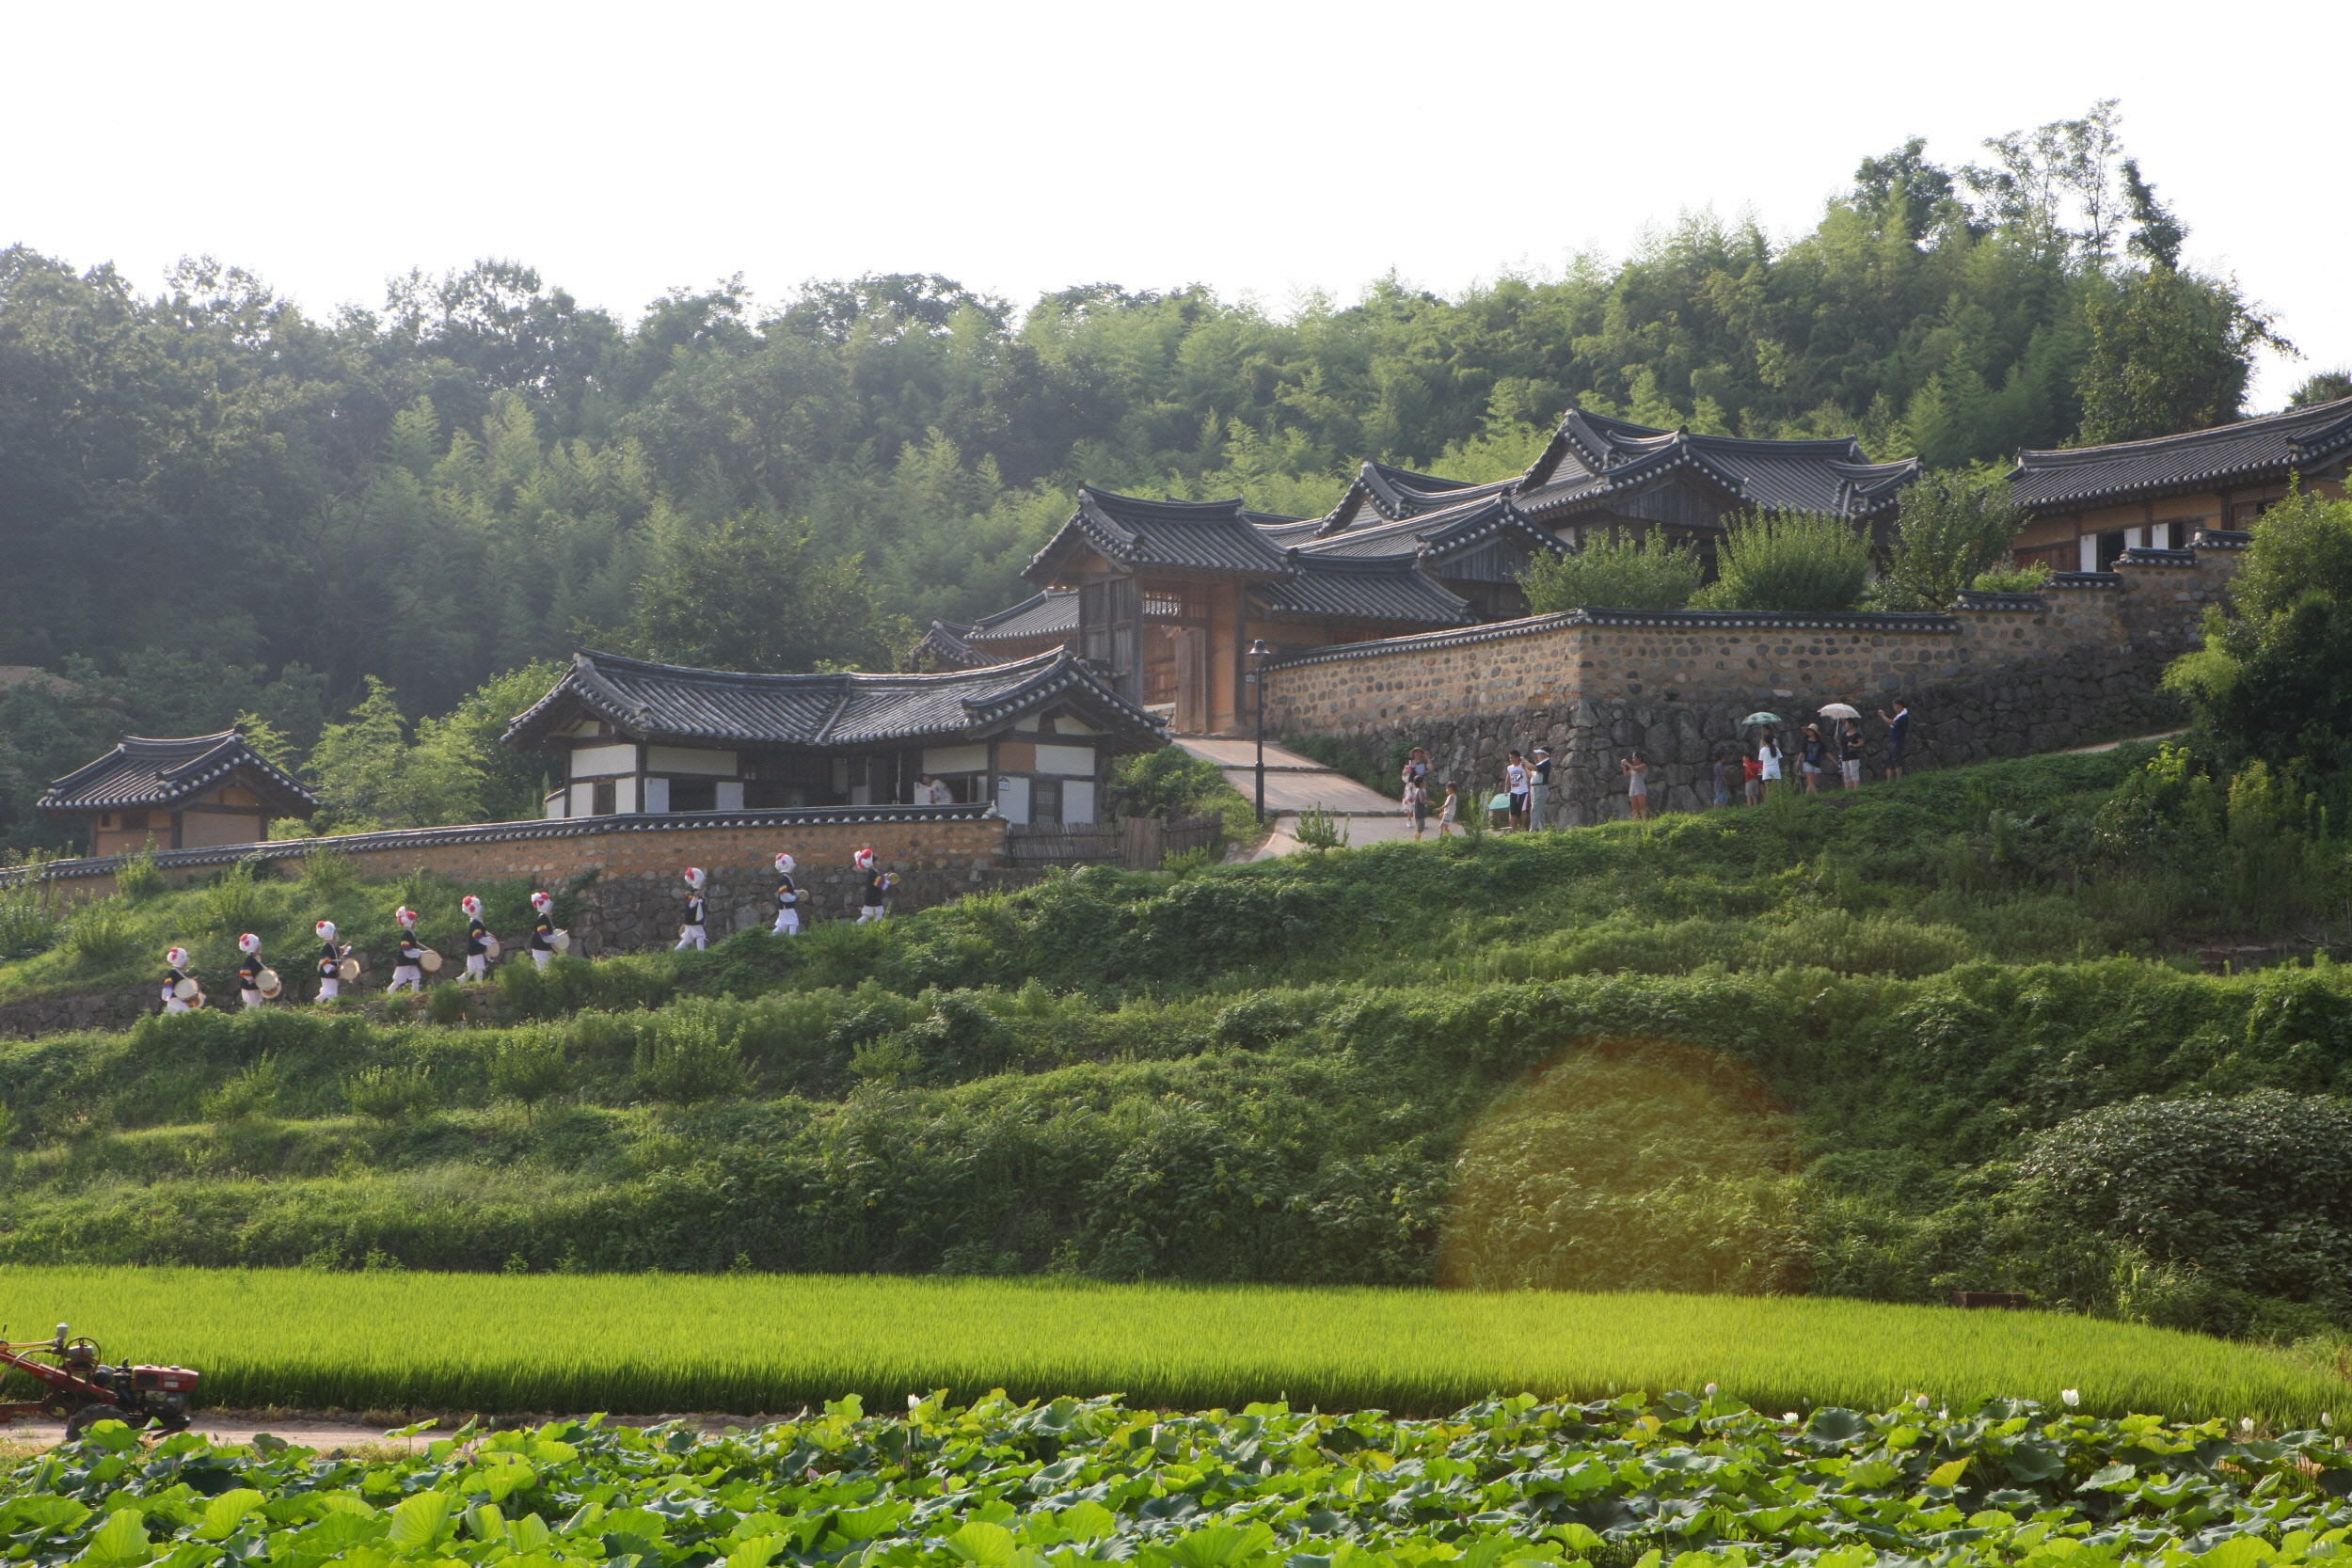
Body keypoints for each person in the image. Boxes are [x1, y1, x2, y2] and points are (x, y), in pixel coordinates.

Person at [388, 907, 425, 993]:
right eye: (414, 921)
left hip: (411, 961)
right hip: (405, 960)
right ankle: (390, 992)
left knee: (416, 976)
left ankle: (415, 993)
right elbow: (406, 949)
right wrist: (419, 952)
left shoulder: (411, 933)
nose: (415, 923)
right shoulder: (407, 935)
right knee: (399, 979)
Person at [854, 848, 894, 923]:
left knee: (868, 915)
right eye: (877, 861)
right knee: (878, 914)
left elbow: (879, 879)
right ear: (873, 863)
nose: (878, 863)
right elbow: (878, 882)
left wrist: (886, 877)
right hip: (873, 898)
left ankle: (856, 926)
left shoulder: (873, 872)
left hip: (871, 898)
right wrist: (888, 881)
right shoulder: (872, 873)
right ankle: (875, 928)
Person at [314, 920, 349, 1002]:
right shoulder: (327, 947)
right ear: (332, 935)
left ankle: (319, 1000)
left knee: (328, 989)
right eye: (335, 933)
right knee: (331, 990)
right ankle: (332, 1003)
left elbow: (339, 951)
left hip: (329, 972)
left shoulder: (333, 946)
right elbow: (326, 959)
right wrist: (332, 967)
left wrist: (346, 946)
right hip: (328, 971)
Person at [461, 895, 492, 981]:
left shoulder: (477, 922)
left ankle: (462, 979)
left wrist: (488, 935)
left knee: (472, 969)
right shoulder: (475, 923)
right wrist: (488, 941)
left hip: (474, 949)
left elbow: (481, 932)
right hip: (476, 949)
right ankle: (479, 983)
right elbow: (478, 936)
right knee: (480, 968)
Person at [676, 867, 708, 952]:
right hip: (694, 920)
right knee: (700, 936)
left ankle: (677, 951)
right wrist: (695, 896)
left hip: (691, 920)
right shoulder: (694, 895)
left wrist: (696, 895)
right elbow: (692, 905)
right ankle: (701, 955)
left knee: (687, 938)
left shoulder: (695, 894)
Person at [1879, 699, 1911, 781]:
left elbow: (1892, 723)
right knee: (1889, 762)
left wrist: (1883, 716)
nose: (1894, 709)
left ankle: (1898, 780)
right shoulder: (1898, 716)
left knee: (1897, 761)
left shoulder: (1904, 716)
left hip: (1897, 741)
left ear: (1900, 705)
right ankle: (1889, 781)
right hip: (1892, 741)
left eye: (1895, 707)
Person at [235, 932, 268, 1009]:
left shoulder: (256, 958)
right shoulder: (250, 959)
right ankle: (249, 1018)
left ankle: (254, 1018)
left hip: (255, 986)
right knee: (252, 1004)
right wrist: (251, 979)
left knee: (256, 1003)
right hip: (249, 986)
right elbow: (244, 972)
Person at [161, 945, 198, 1015]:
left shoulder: (180, 973)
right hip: (175, 1001)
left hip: (182, 1001)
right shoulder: (172, 972)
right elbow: (168, 986)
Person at [772, 852, 802, 935]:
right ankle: (793, 940)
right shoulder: (784, 879)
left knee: (782, 925)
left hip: (784, 905)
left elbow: (788, 891)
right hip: (786, 905)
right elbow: (783, 892)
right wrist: (793, 898)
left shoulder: (786, 878)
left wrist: (797, 892)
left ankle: (770, 938)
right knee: (794, 921)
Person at [528, 891, 558, 969]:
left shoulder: (544, 917)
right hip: (540, 947)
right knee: (543, 968)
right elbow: (543, 934)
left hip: (541, 947)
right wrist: (552, 938)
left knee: (543, 967)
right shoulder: (542, 918)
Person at [1504, 750, 1531, 832]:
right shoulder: (1510, 768)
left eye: (1512, 757)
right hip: (1514, 792)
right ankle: (1513, 829)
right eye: (1510, 758)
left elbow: (1529, 776)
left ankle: (1524, 827)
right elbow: (1508, 779)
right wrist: (1506, 788)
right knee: (1513, 811)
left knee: (1523, 810)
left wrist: (1524, 763)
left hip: (1524, 791)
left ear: (1517, 757)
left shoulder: (1523, 766)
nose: (1511, 759)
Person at [1528, 746, 1552, 831]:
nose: (1537, 756)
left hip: (1540, 788)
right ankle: (1543, 830)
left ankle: (1532, 831)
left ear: (1544, 754)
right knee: (1539, 810)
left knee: (1534, 810)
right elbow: (1531, 775)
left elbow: (1535, 768)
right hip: (1534, 787)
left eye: (1539, 754)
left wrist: (1525, 761)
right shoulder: (1540, 764)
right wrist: (1524, 767)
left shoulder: (1546, 763)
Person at [1622, 751, 1650, 820]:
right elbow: (1626, 774)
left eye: (1634, 758)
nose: (1633, 760)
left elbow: (1636, 769)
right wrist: (1624, 766)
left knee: (1642, 806)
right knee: (1634, 808)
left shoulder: (1643, 765)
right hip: (1633, 788)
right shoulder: (1633, 767)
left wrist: (1627, 763)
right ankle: (1635, 823)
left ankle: (1644, 822)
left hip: (1640, 788)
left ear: (1639, 758)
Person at [1838, 719, 1865, 790]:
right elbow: (1841, 745)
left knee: (1854, 773)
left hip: (1853, 756)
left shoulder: (1857, 735)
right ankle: (1848, 791)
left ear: (1851, 724)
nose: (1845, 725)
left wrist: (1853, 745)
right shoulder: (1844, 735)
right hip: (1845, 756)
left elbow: (1861, 743)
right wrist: (1837, 740)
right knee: (1846, 775)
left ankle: (1856, 790)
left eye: (1846, 723)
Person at [1801, 723, 1826, 794]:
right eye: (1808, 730)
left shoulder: (1820, 743)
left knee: (1812, 781)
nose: (1808, 732)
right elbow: (1802, 751)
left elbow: (1826, 752)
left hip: (1816, 763)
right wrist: (1798, 760)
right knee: (1810, 781)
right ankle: (1817, 795)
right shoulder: (1806, 741)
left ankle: (1806, 797)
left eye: (1810, 730)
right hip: (1808, 762)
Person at [1404, 774, 1429, 840]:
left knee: (1420, 828)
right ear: (1421, 784)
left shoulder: (1418, 790)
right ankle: (1416, 840)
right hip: (1420, 812)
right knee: (1420, 828)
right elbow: (1422, 801)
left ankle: (1417, 840)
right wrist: (1430, 803)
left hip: (1418, 812)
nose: (1425, 783)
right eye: (1424, 782)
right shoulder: (1421, 791)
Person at [1758, 726, 1783, 794]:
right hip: (1775, 769)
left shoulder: (1762, 750)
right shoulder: (1776, 749)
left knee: (1768, 790)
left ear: (1764, 741)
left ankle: (1770, 803)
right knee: (1777, 789)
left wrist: (1760, 769)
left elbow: (1760, 762)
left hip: (1767, 770)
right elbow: (1780, 759)